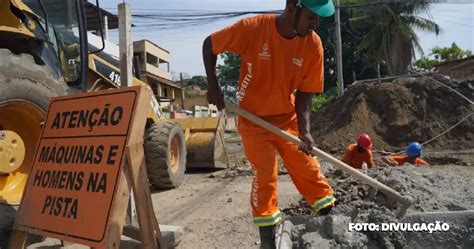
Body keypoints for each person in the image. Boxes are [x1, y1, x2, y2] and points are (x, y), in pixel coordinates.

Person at [202, 0, 336, 247]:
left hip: (287, 119)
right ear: (293, 7)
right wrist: (213, 85)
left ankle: (332, 224)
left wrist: (305, 131)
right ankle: (268, 241)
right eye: (311, 17)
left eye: (319, 18)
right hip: (253, 120)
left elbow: (306, 93)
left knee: (308, 168)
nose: (316, 23)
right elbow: (210, 44)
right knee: (265, 176)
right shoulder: (253, 28)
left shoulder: (312, 44)